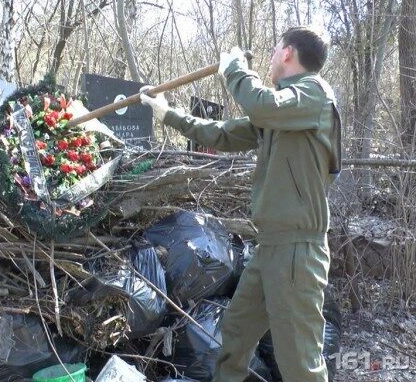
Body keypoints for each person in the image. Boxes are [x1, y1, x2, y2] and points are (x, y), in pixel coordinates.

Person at [140, 26, 341, 382]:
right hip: (270, 249)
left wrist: (233, 67)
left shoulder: (313, 96)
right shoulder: (283, 111)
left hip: (297, 251)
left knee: (299, 361)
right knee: (236, 333)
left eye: (275, 48)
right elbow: (222, 133)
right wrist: (167, 114)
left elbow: (261, 104)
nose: (271, 56)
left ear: (287, 53)